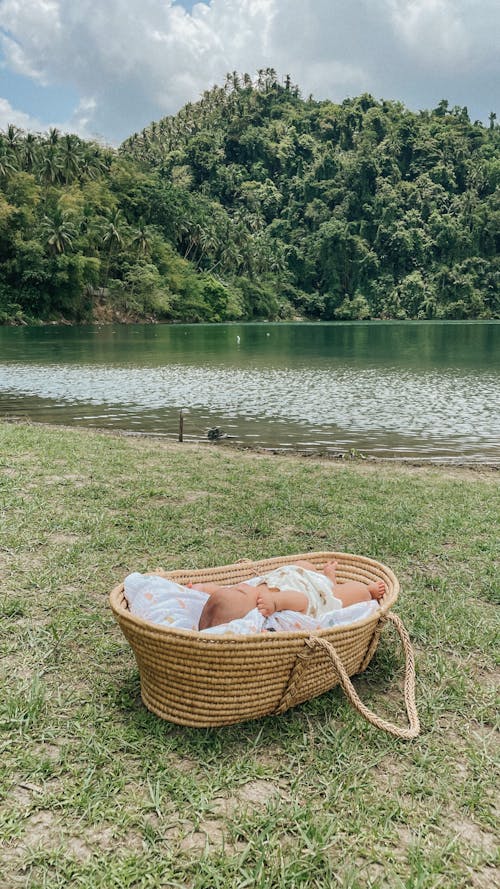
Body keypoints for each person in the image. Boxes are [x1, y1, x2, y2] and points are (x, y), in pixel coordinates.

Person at [197, 560, 385, 631]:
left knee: (307, 564)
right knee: (355, 592)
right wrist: (277, 602)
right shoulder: (272, 614)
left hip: (301, 575)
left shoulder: (245, 593)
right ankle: (366, 590)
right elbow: (302, 601)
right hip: (321, 596)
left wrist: (206, 588)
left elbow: (225, 592)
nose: (240, 585)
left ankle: (326, 577)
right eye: (240, 590)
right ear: (252, 611)